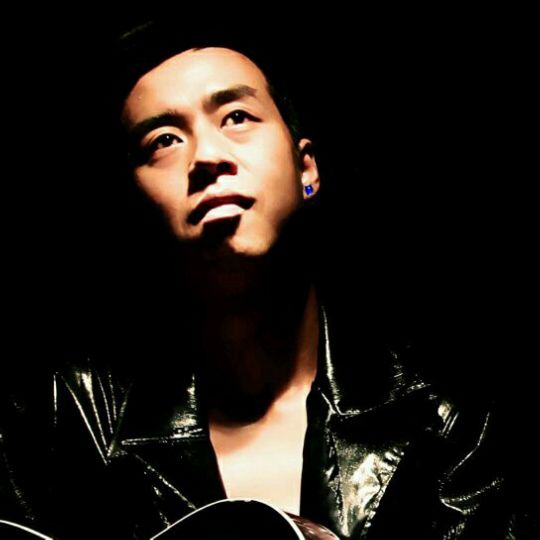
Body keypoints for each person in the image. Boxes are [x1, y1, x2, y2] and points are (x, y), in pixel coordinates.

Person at [0, 19, 534, 540]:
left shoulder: (448, 421)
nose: (207, 157)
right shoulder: (65, 419)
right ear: (137, 204)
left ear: (307, 170)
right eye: (164, 140)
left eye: (236, 116)